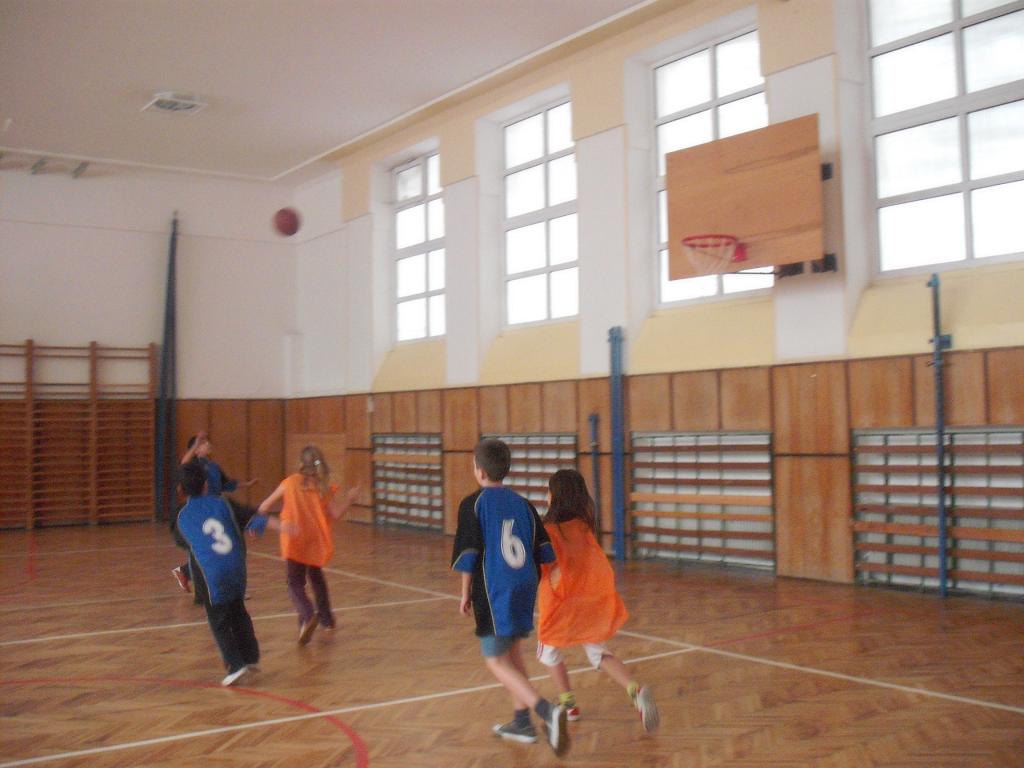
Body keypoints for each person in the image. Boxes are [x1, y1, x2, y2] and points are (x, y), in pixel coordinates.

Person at [450, 438, 569, 757]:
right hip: (525, 584)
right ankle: (522, 723)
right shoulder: (524, 504)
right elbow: (544, 551)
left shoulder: (473, 504)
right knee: (513, 652)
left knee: (495, 660)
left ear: (479, 470)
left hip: (495, 587)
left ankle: (547, 712)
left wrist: (464, 593)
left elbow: (469, 553)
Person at [536, 469, 659, 731]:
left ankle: (569, 705)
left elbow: (542, 565)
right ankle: (635, 690)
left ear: (554, 496)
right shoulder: (584, 525)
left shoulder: (548, 530)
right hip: (589, 601)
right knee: (599, 653)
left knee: (548, 653)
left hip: (560, 604)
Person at [255, 445, 359, 645]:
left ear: (301, 463)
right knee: (316, 577)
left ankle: (308, 614)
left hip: (294, 538)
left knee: (295, 583)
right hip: (314, 541)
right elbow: (336, 514)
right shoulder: (322, 487)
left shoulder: (289, 483)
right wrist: (350, 499)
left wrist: (263, 524)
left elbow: (263, 507)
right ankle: (326, 620)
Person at [174, 460, 262, 686]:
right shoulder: (222, 503)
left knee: (219, 620)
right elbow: (248, 519)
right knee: (238, 611)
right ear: (206, 484)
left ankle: (235, 665)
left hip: (212, 574)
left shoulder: (183, 516)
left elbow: (186, 542)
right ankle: (250, 657)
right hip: (237, 567)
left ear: (180, 490)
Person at [172, 431, 257, 595]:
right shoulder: (194, 466)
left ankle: (185, 572)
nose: (208, 445)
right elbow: (184, 464)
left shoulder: (213, 467)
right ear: (197, 448)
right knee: (213, 550)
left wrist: (247, 484)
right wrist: (195, 444)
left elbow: (227, 484)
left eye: (206, 442)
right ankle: (196, 579)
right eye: (204, 443)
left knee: (233, 547)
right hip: (205, 512)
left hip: (217, 510)